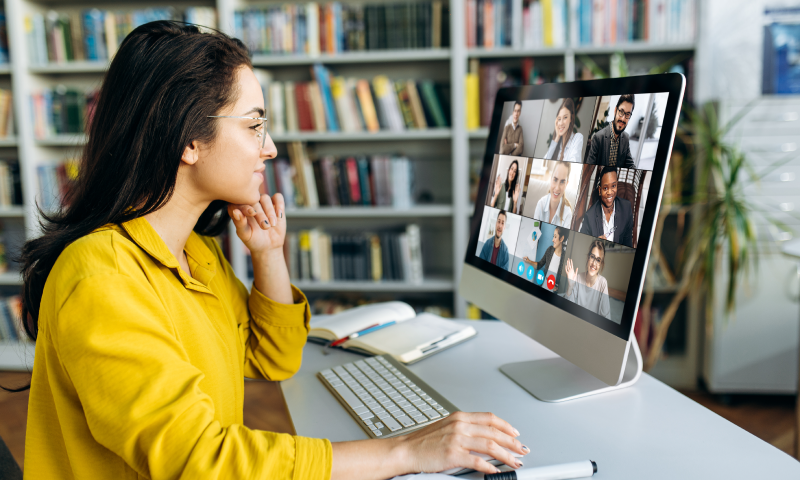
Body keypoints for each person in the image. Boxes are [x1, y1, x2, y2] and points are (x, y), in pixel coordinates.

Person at [13, 22, 527, 480]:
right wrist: (402, 451)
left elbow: (273, 358)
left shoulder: (194, 253)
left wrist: (268, 254)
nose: (271, 148)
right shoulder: (101, 276)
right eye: (254, 125)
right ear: (188, 141)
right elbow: (200, 461)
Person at [579, 166, 634, 247]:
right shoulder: (589, 217)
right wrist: (594, 243)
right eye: (605, 188)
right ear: (600, 190)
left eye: (613, 186)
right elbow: (581, 244)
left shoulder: (626, 208)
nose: (610, 192)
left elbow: (628, 244)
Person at [563, 240, 612, 319]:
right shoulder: (578, 278)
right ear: (588, 257)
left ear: (601, 264)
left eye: (598, 260)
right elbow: (566, 308)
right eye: (592, 257)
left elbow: (606, 317)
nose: (594, 264)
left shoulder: (603, 283)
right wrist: (570, 286)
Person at [585, 94, 637, 168]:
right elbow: (589, 168)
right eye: (621, 112)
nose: (623, 118)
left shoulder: (626, 138)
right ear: (615, 110)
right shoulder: (598, 138)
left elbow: (630, 164)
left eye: (628, 114)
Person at [523, 226, 568, 292]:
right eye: (553, 236)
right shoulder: (550, 250)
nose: (553, 239)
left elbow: (563, 281)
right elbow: (540, 264)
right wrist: (529, 261)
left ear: (561, 238)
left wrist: (557, 287)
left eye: (555, 237)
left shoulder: (565, 258)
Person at [532, 161, 573, 228]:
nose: (557, 188)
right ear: (551, 179)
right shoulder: (541, 204)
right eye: (555, 179)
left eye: (562, 182)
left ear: (566, 184)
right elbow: (534, 233)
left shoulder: (567, 214)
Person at [543, 98, 584, 163]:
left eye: (565, 117)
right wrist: (557, 138)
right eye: (559, 119)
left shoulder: (577, 138)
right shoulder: (558, 142)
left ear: (571, 118)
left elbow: (573, 164)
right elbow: (544, 162)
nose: (561, 123)